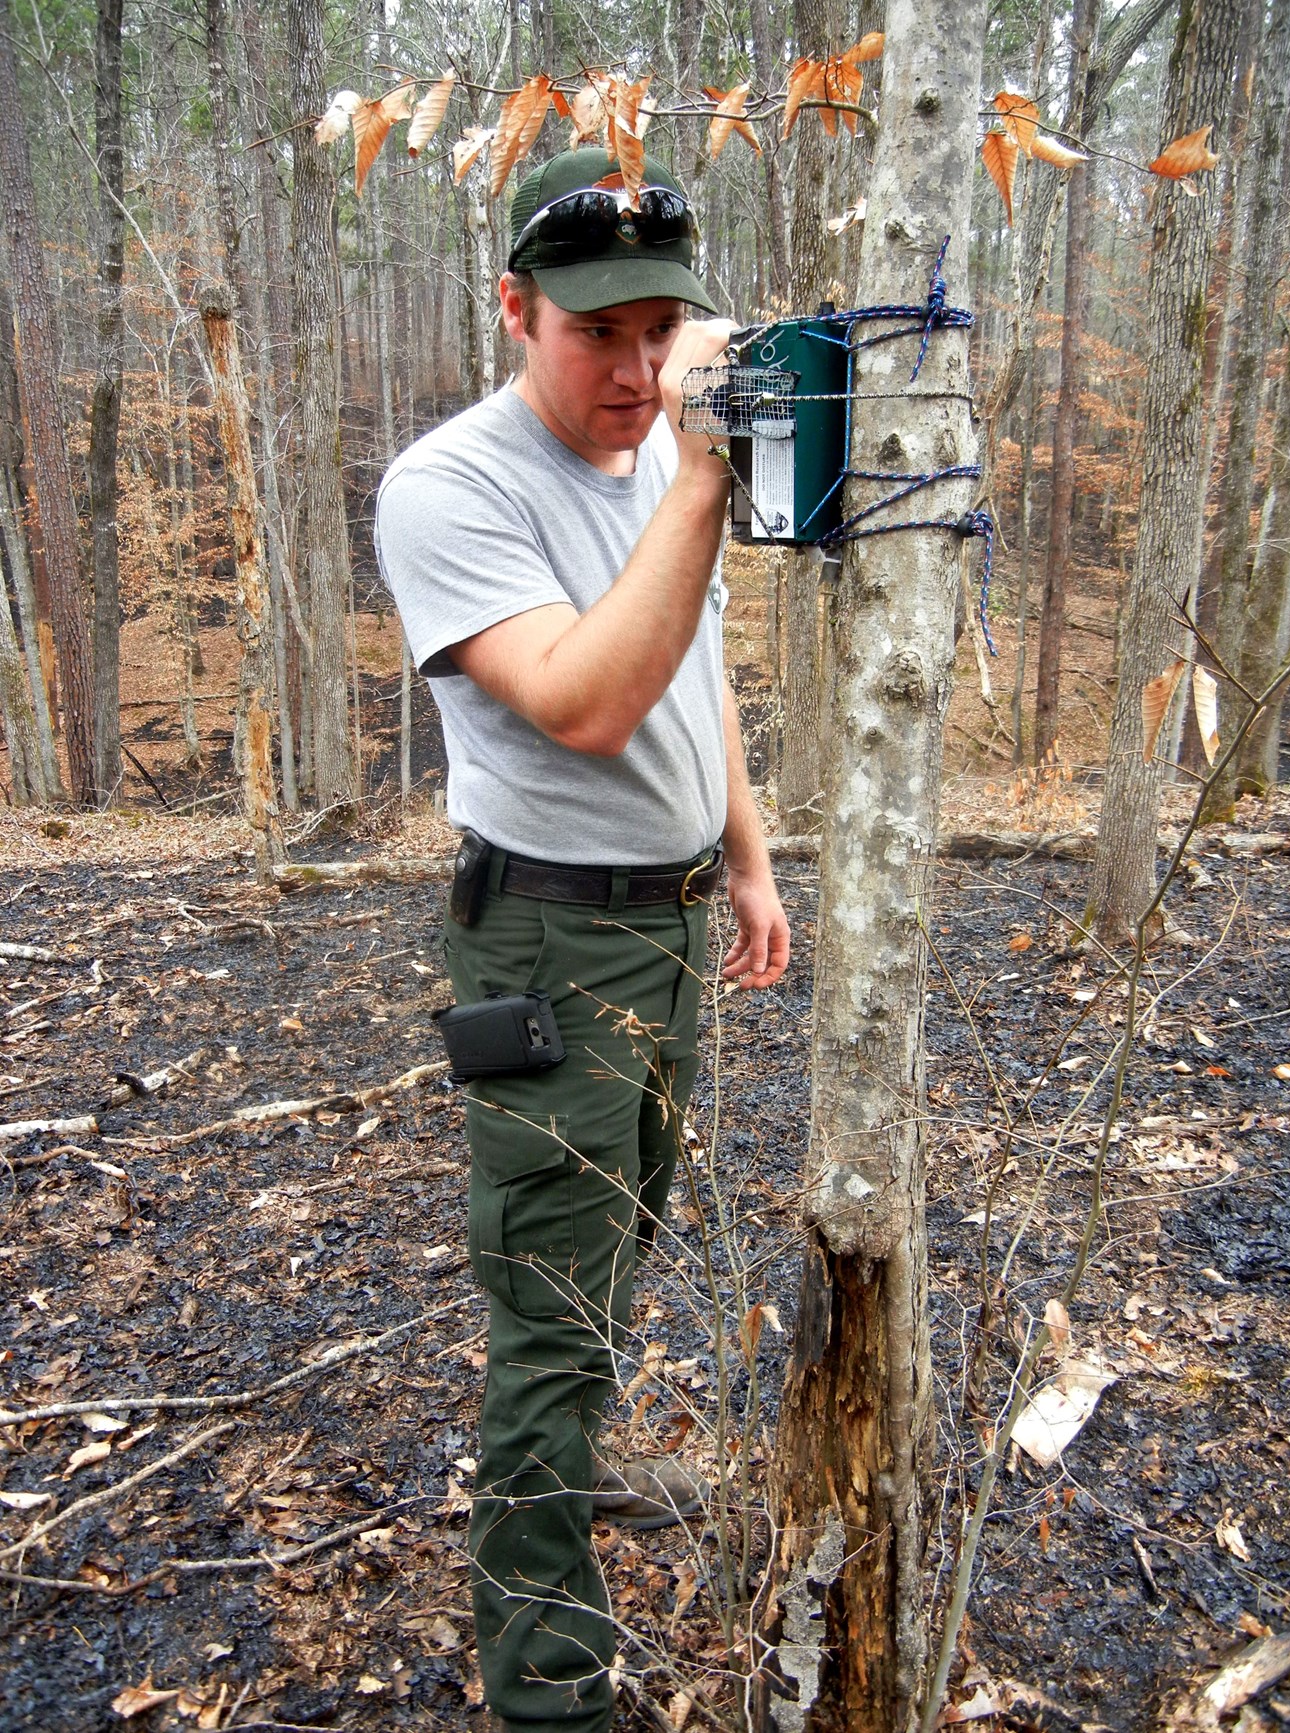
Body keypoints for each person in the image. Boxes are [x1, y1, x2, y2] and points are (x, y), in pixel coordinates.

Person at [375, 146, 790, 1733]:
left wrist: (745, 862)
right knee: (550, 1332)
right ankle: (547, 1692)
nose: (631, 370)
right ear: (513, 311)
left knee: (611, 1279)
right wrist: (699, 467)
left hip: (671, 931)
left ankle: (576, 1503)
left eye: (657, 332)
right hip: (551, 950)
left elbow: (696, 683)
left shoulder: (645, 467)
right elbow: (592, 698)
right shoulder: (451, 486)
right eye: (593, 332)